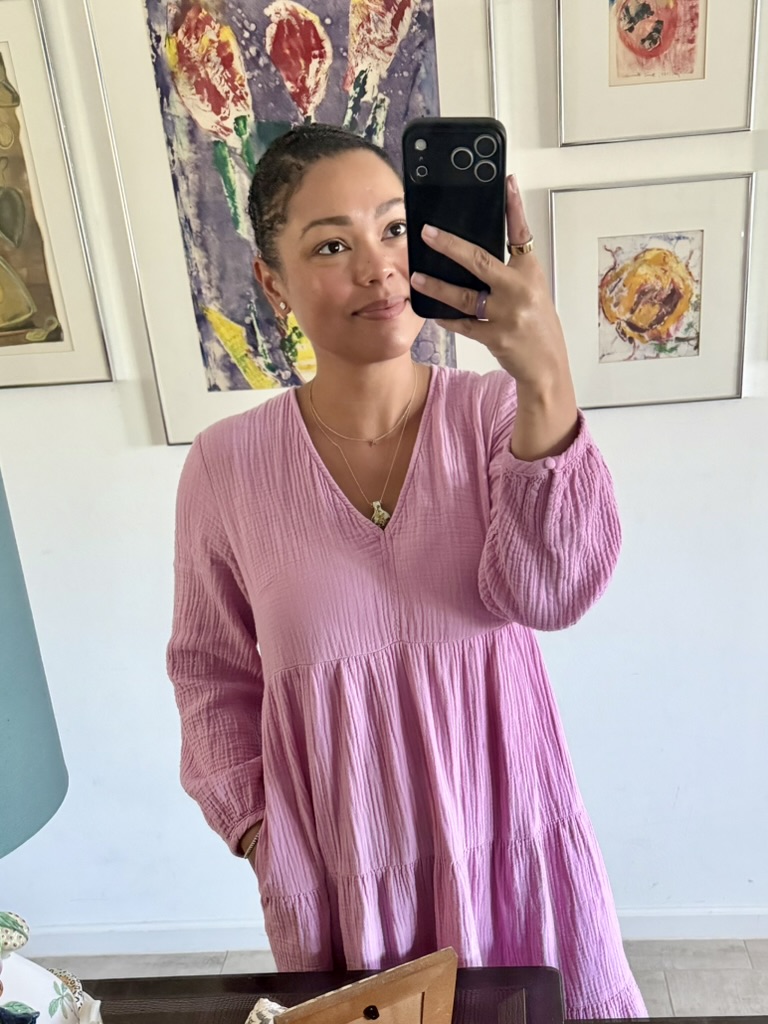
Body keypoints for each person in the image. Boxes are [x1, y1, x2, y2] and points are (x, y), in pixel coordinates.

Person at [167, 123, 646, 1018]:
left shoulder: (498, 413)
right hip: (346, 871)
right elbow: (209, 673)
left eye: (395, 229)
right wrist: (262, 831)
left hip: (514, 841)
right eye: (332, 245)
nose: (378, 268)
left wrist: (546, 376)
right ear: (272, 282)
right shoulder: (225, 466)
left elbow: (553, 593)